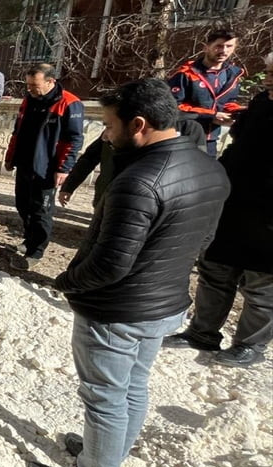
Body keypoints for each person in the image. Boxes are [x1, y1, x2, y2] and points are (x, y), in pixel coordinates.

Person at [29, 78, 229, 467]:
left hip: (117, 311)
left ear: (138, 124)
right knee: (133, 387)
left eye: (110, 125)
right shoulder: (210, 168)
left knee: (104, 396)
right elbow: (205, 239)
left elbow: (109, 264)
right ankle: (108, 453)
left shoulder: (139, 181)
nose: (105, 134)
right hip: (165, 304)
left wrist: (65, 282)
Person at [166, 58, 273, 367]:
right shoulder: (260, 105)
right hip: (234, 203)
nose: (267, 79)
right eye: (267, 72)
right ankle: (202, 332)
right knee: (215, 270)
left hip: (269, 218)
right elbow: (239, 144)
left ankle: (250, 345)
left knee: (262, 284)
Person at [3, 64, 84, 267]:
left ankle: (36, 251)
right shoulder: (29, 100)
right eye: (28, 85)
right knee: (23, 205)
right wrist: (10, 156)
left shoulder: (69, 103)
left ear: (50, 82)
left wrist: (64, 169)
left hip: (47, 167)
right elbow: (17, 130)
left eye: (34, 85)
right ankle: (28, 240)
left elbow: (73, 140)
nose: (30, 89)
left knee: (41, 210)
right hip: (25, 163)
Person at [58, 115, 207, 210]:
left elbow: (199, 169)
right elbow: (89, 158)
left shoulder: (188, 128)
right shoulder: (118, 126)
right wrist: (69, 186)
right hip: (107, 198)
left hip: (156, 205)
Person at [167, 27, 246, 157]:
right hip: (185, 137)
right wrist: (211, 115)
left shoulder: (233, 74)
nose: (224, 50)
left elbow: (227, 103)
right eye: (219, 46)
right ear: (206, 47)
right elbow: (172, 107)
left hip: (212, 139)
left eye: (229, 46)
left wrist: (239, 111)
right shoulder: (186, 74)